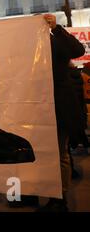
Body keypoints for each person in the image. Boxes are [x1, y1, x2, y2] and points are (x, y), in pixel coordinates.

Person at [36, 13, 85, 212]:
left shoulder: (56, 42)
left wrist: (56, 28)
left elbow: (78, 49)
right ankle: (51, 196)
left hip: (59, 107)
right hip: (38, 108)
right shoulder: (27, 50)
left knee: (59, 154)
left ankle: (60, 197)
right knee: (45, 155)